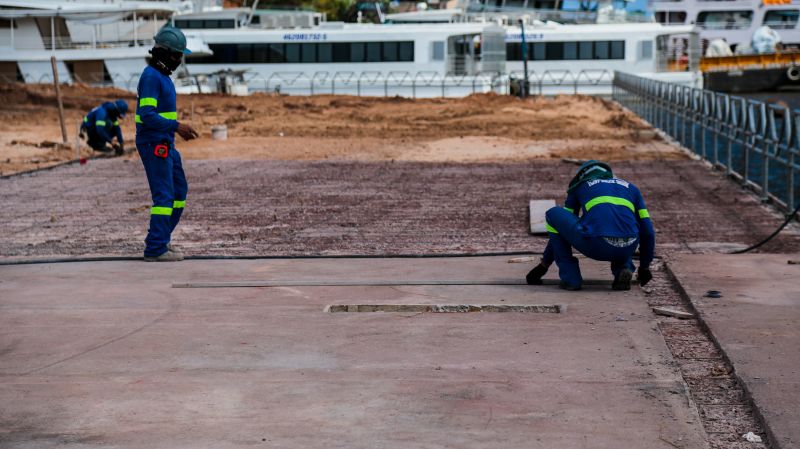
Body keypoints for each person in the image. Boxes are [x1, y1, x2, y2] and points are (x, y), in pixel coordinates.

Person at [526, 160, 655, 291]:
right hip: (628, 247)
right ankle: (623, 268)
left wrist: (544, 265)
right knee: (622, 227)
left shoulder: (579, 186)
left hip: (596, 245)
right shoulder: (632, 188)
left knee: (553, 214)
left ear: (582, 176)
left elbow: (561, 228)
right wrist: (645, 267)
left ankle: (571, 278)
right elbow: (648, 232)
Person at [135, 26, 198, 262]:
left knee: (178, 192)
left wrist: (174, 131)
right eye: (176, 55)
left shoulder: (162, 77)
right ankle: (155, 249)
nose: (179, 60)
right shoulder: (151, 77)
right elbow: (147, 114)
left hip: (166, 142)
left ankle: (162, 239)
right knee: (164, 195)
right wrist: (177, 127)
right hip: (153, 142)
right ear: (163, 53)